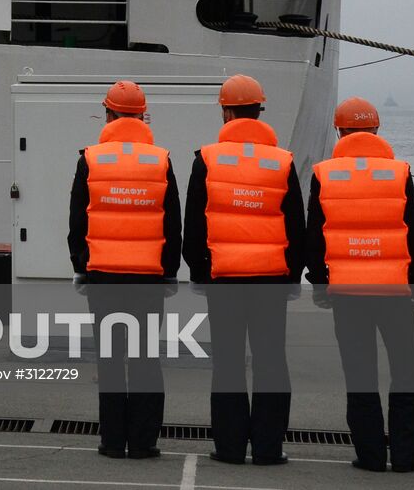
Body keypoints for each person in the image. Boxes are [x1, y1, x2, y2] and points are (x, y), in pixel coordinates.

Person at [183, 74, 304, 466]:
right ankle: (269, 448)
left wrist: (200, 272)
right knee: (272, 362)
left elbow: (194, 223)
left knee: (228, 364)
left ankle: (230, 447)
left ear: (226, 112)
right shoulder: (282, 161)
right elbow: (296, 226)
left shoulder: (207, 159)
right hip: (271, 282)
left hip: (224, 281)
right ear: (259, 111)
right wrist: (291, 277)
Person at [306, 97, 414, 473]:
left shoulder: (324, 174)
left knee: (360, 373)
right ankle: (406, 455)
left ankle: (370, 455)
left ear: (339, 131)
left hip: (348, 294)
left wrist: (320, 282)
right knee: (405, 370)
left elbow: (315, 236)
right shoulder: (399, 172)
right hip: (395, 292)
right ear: (376, 129)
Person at [67, 81, 182, 460]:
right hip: (148, 277)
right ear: (143, 116)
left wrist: (80, 267)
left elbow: (78, 220)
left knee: (111, 360)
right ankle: (144, 442)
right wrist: (169, 271)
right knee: (146, 359)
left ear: (108, 114)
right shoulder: (160, 160)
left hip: (103, 275)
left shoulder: (91, 159)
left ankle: (113, 441)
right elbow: (172, 222)